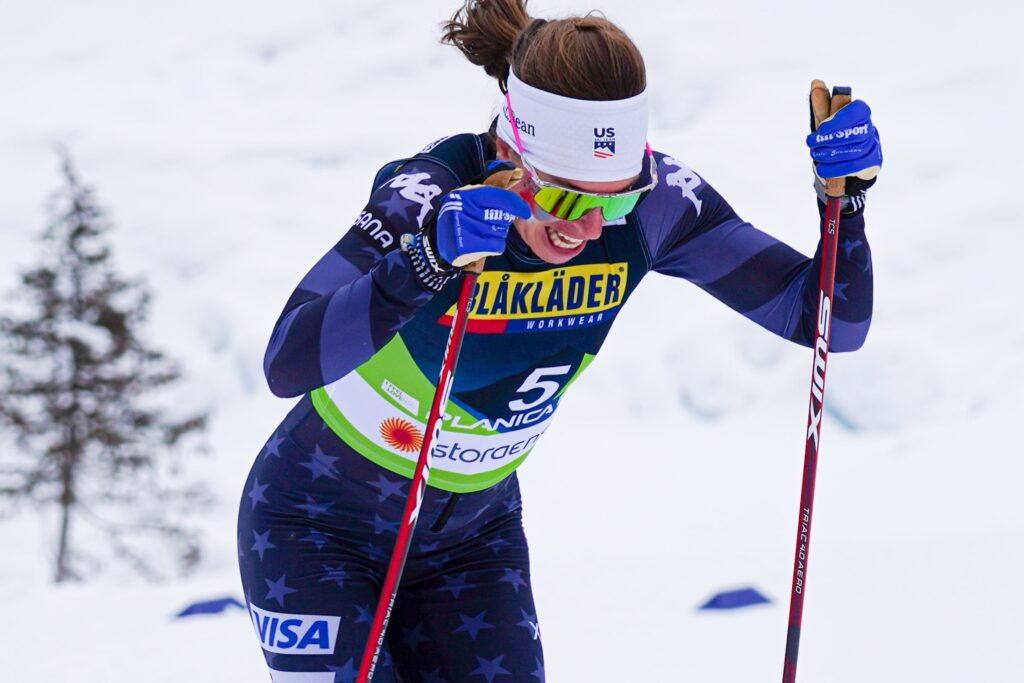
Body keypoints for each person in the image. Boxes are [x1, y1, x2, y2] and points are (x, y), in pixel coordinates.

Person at [237, 1, 882, 681]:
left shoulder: (662, 204)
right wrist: (424, 262)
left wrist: (846, 206)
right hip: (317, 524)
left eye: (616, 200)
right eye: (569, 199)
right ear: (513, 153)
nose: (590, 230)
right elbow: (288, 357)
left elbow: (828, 324)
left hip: (471, 539)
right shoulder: (431, 193)